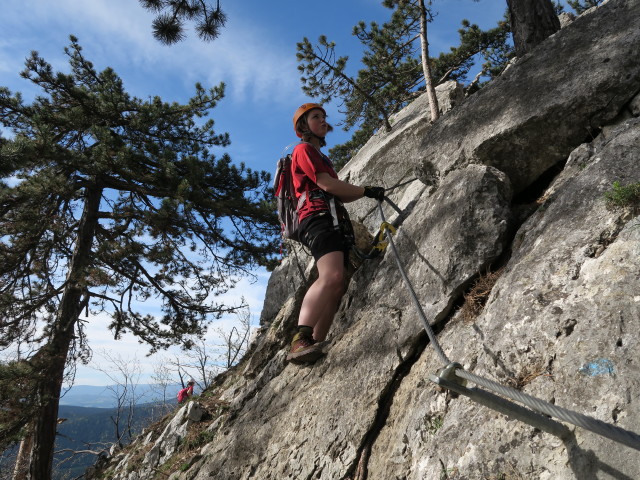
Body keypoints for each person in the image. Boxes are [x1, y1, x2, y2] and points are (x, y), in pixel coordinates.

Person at [286, 102, 385, 363]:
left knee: (338, 283)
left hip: (329, 217)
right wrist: (365, 190)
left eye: (322, 116)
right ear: (303, 126)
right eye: (314, 117)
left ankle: (315, 342)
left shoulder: (322, 157)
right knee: (332, 275)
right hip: (317, 217)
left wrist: (364, 192)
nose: (321, 120)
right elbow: (326, 184)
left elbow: (339, 192)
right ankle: (300, 338)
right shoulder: (304, 149)